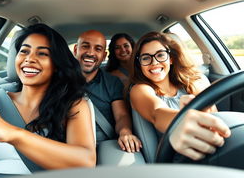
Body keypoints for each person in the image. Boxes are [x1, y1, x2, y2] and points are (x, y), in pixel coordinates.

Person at [0, 24, 96, 178]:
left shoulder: (73, 104)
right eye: (24, 51)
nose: (29, 59)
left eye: (42, 54)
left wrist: (13, 134)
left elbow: (86, 162)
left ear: (57, 65)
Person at [129, 31, 230, 161]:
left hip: (214, 147)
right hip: (179, 160)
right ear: (139, 64)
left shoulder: (191, 83)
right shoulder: (140, 89)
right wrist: (181, 120)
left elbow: (214, 115)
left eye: (160, 55)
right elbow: (156, 112)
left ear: (170, 59)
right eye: (146, 58)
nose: (154, 62)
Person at [73, 30, 142, 154]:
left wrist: (125, 132)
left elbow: (121, 115)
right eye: (85, 46)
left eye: (97, 49)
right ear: (75, 50)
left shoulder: (113, 82)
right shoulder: (59, 80)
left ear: (104, 56)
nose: (90, 52)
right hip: (67, 142)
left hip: (103, 144)